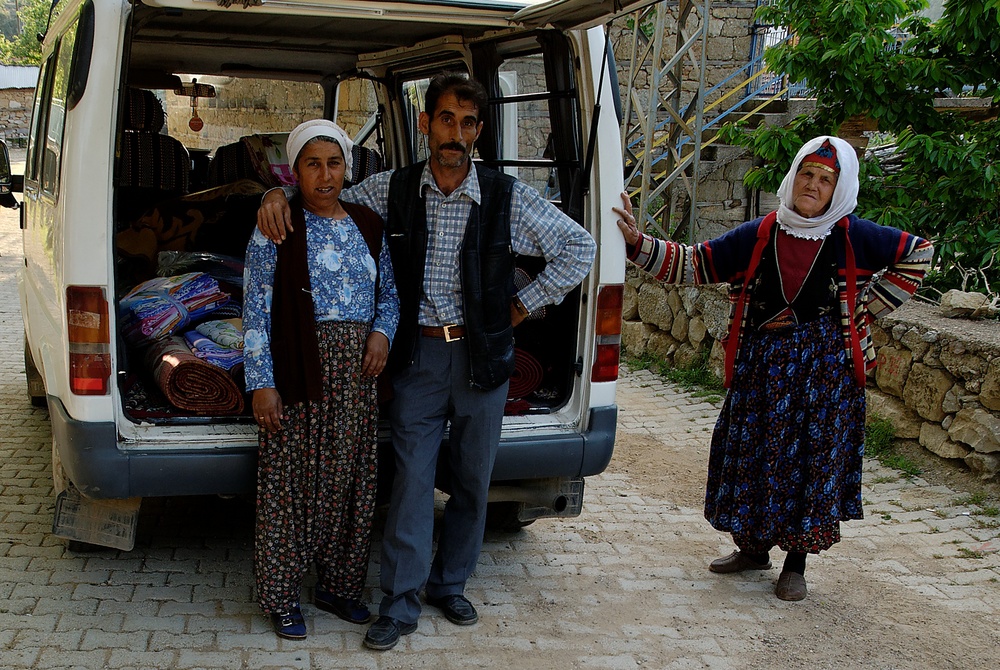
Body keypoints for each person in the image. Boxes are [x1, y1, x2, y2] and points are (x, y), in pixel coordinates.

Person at [257, 72, 596, 650]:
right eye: (445, 119)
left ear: (479, 132)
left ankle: (450, 584)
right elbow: (322, 195)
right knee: (413, 478)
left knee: (472, 477)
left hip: (485, 356)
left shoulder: (505, 196)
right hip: (417, 355)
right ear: (424, 124)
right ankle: (401, 599)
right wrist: (275, 194)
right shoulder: (392, 189)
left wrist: (520, 307)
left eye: (467, 123)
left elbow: (579, 247)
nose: (455, 134)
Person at [615, 136, 933, 601]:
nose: (813, 185)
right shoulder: (761, 233)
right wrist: (636, 242)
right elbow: (695, 263)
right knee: (755, 456)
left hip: (826, 379)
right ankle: (753, 549)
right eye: (807, 174)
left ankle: (796, 564)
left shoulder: (856, 237)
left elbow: (919, 253)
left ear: (839, 189)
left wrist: (867, 305)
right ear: (793, 176)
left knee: (809, 463)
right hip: (762, 372)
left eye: (826, 179)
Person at [243, 119, 400, 640]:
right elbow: (255, 310)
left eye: (333, 163)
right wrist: (261, 382)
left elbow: (392, 297)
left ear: (346, 168)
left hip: (357, 375)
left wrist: (380, 334)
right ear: (296, 171)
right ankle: (282, 596)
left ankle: (338, 586)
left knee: (349, 485)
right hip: (297, 371)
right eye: (312, 164)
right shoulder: (277, 226)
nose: (325, 174)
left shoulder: (368, 224)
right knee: (289, 487)